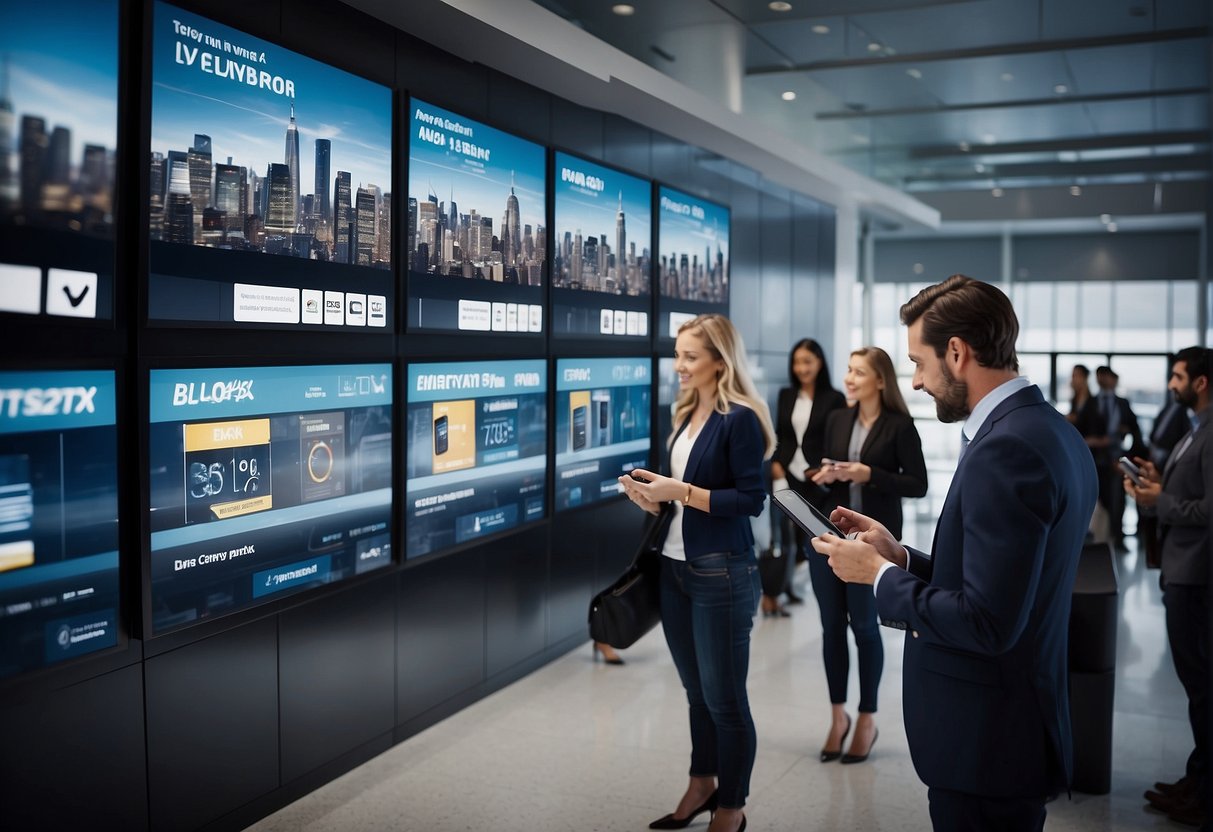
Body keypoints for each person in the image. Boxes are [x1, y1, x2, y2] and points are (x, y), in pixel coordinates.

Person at [811, 274, 1097, 831]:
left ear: (958, 353)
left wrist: (875, 578)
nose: (915, 381)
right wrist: (901, 557)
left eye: (919, 362)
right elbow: (1004, 579)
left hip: (986, 738)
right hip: (1013, 723)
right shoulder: (1050, 430)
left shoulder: (1005, 448)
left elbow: (988, 622)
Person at [619, 313, 774, 832]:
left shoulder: (741, 418)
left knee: (726, 700)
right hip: (675, 567)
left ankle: (732, 806)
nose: (679, 365)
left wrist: (681, 492)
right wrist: (651, 497)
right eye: (677, 354)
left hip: (721, 573)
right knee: (696, 693)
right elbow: (683, 496)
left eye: (690, 356)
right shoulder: (686, 411)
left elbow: (752, 500)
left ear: (719, 361)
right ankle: (701, 782)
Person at [809, 346, 926, 764]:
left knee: (863, 627)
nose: (850, 378)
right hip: (831, 537)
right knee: (830, 628)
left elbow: (918, 484)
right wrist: (828, 475)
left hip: (872, 545)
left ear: (880, 380)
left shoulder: (899, 426)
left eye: (859, 372)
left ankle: (866, 718)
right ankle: (838, 716)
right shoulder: (838, 418)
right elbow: (828, 477)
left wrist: (867, 474)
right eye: (848, 369)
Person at [1124, 346, 1210, 828]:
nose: (1171, 384)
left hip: (1197, 575)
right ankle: (1197, 778)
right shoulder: (1193, 430)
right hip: (1182, 570)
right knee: (1196, 687)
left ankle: (1204, 792)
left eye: (1178, 376)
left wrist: (1163, 500)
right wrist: (1158, 486)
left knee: (1202, 687)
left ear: (1200, 382)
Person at [766, 338, 847, 616]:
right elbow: (781, 434)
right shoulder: (787, 395)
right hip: (785, 473)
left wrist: (824, 468)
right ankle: (777, 589)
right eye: (797, 362)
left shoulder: (834, 398)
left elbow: (835, 439)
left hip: (815, 478)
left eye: (807, 362)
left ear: (819, 363)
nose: (801, 368)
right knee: (781, 536)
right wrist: (775, 463)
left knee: (812, 537)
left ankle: (807, 584)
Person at [1076, 365, 1142, 550]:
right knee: (1095, 499)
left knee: (1117, 501)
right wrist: (1093, 441)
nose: (1101, 380)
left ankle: (1117, 538)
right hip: (1094, 460)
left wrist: (1126, 453)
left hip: (1116, 460)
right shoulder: (1091, 402)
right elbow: (1080, 430)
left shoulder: (1122, 403)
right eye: (1099, 377)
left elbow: (1135, 430)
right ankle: (1096, 538)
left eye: (1105, 377)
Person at [1138, 390, 1194, 568]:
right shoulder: (1169, 409)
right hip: (1174, 557)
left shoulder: (1198, 429)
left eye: (1178, 377)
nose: (1171, 385)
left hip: (1187, 558)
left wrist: (1160, 497)